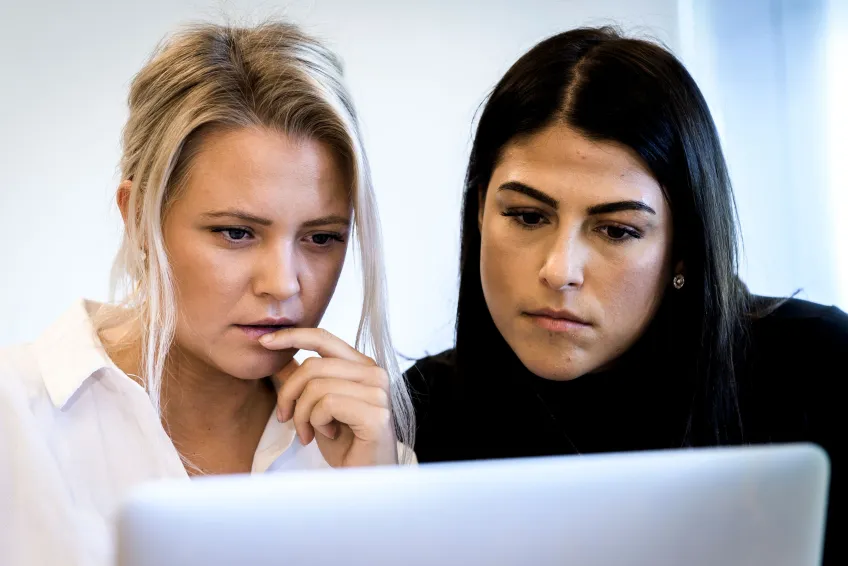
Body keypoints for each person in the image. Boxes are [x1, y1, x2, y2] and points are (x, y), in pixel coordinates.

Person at [407, 27, 845, 564]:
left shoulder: (816, 366)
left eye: (616, 230)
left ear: (684, 249)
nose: (559, 270)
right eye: (526, 216)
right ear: (480, 212)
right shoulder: (422, 413)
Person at [0, 21, 414, 566]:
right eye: (236, 233)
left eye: (320, 238)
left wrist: (375, 510)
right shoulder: (18, 418)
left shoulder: (370, 453)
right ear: (138, 220)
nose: (284, 283)